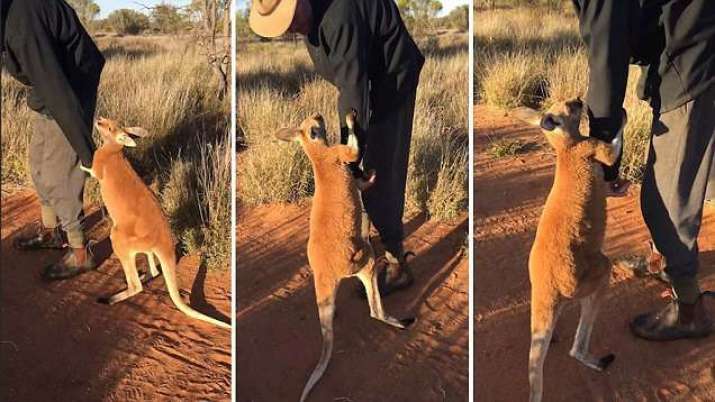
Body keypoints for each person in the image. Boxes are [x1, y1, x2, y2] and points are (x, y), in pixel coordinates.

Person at [249, 0, 425, 295]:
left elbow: (353, 90)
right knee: (359, 166)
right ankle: (370, 245)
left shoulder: (339, 15)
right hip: (366, 79)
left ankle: (395, 265)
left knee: (377, 170)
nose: (292, 27)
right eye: (285, 25)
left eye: (291, 18)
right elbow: (348, 81)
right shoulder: (311, 18)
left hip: (394, 78)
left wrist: (349, 162)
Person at [572, 0, 714, 340]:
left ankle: (689, 310)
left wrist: (606, 164)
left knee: (665, 201)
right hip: (691, 43)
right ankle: (663, 260)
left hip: (698, 57)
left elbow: (607, 61)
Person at [1, 0, 104, 280]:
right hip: (53, 81)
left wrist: (85, 151)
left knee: (60, 175)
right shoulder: (11, 14)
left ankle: (80, 251)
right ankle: (51, 230)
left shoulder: (22, 26)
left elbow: (58, 90)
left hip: (71, 86)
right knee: (38, 163)